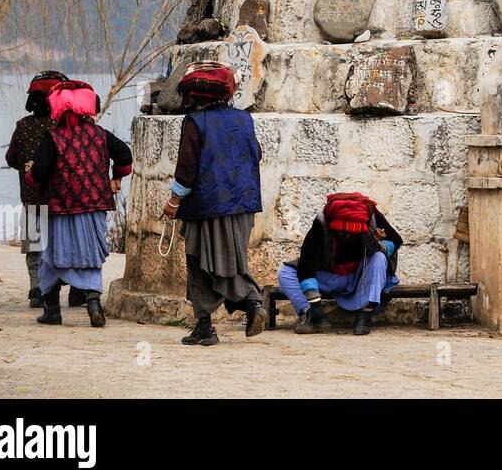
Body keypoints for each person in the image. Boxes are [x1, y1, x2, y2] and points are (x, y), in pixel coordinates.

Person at [163, 62, 266, 346]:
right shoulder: (244, 119)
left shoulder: (194, 122)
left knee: (200, 261)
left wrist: (173, 201)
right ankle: (248, 307)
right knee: (230, 258)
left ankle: (214, 321)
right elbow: (255, 153)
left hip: (207, 205)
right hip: (244, 203)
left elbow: (187, 168)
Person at [25, 80, 132, 327]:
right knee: (91, 256)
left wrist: (31, 175)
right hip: (94, 207)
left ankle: (52, 311)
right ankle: (94, 304)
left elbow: (39, 173)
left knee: (51, 257)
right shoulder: (101, 134)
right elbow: (125, 155)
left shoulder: (53, 138)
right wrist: (116, 176)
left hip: (59, 208)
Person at [277, 192, 402, 336]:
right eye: (342, 233)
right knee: (285, 273)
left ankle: (365, 315)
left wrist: (379, 246)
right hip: (328, 277)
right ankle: (313, 316)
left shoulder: (372, 218)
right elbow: (307, 263)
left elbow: (396, 241)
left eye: (352, 235)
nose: (347, 236)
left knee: (379, 257)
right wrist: (315, 305)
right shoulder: (321, 223)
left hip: (359, 278)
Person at [4, 70, 67, 308]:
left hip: (31, 198)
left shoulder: (22, 126)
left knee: (33, 247)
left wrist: (28, 168)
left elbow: (11, 158)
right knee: (60, 244)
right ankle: (64, 288)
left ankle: (35, 289)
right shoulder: (62, 127)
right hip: (60, 200)